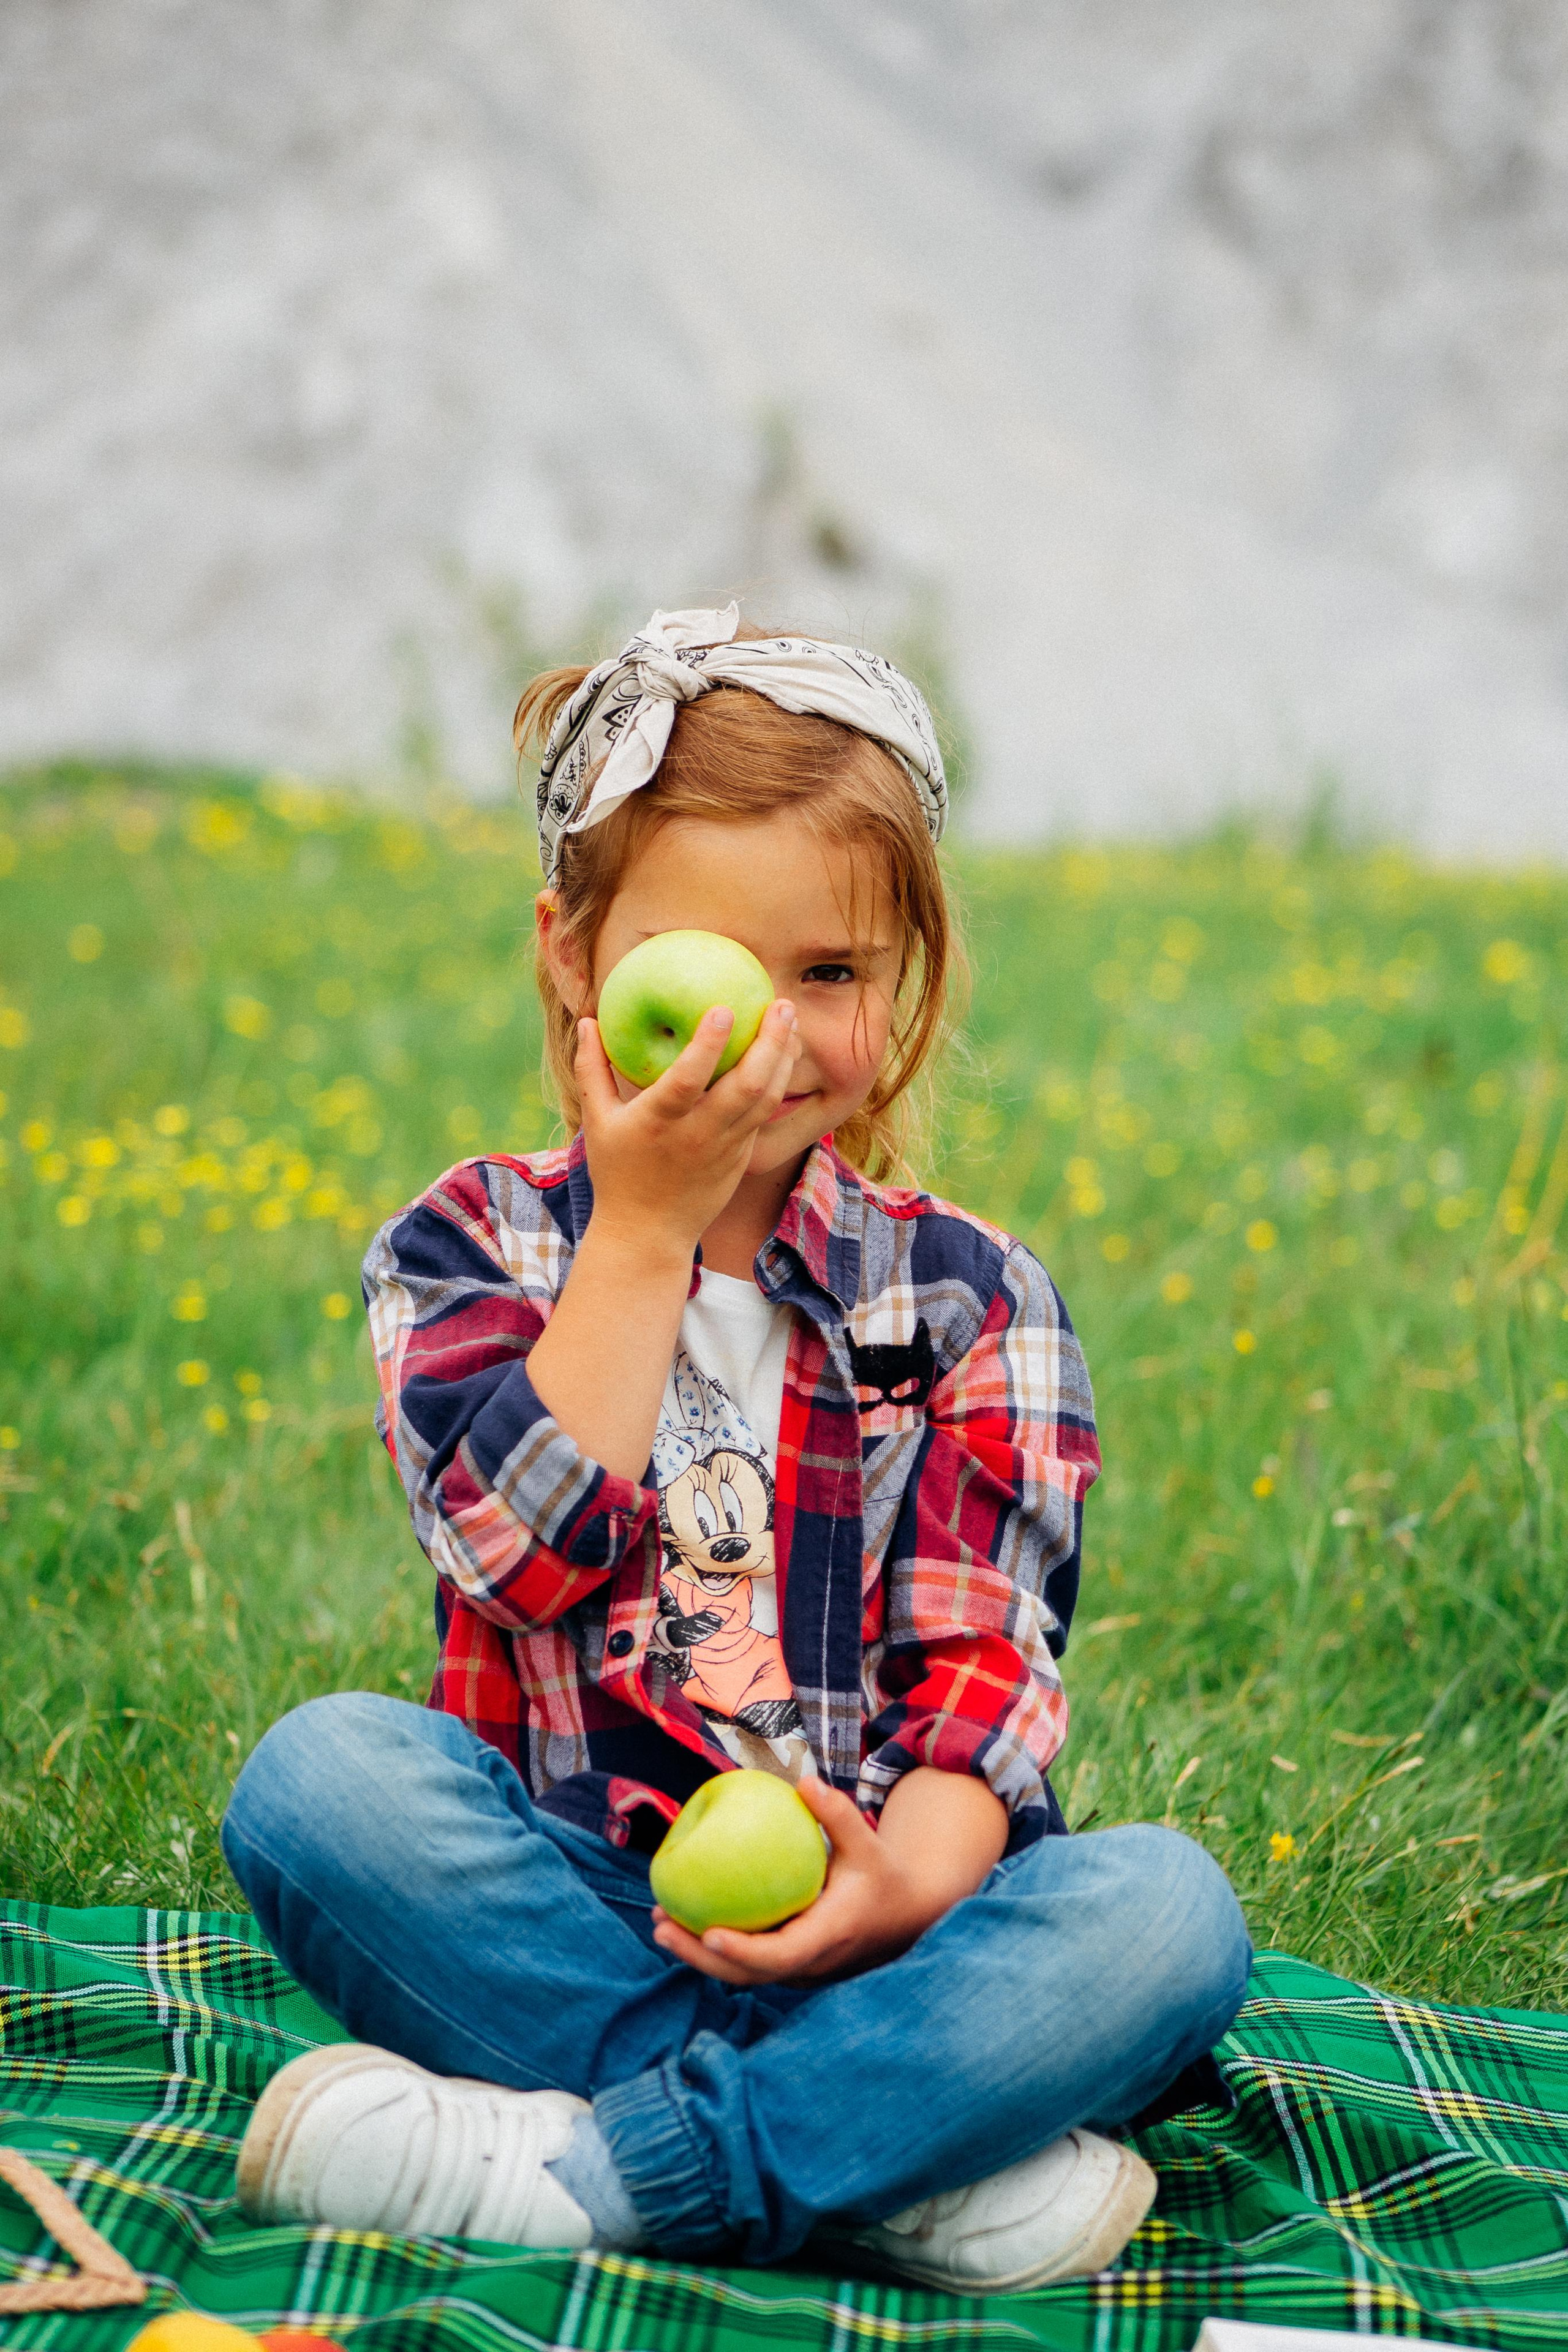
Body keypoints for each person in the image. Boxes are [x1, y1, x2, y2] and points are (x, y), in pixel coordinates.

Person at [221, 605, 1251, 2289]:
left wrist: (902, 1900)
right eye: (717, 969)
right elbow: (514, 1554)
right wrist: (638, 1232)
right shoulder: (468, 1249)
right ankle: (884, 2162)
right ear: (571, 957)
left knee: (1167, 1917)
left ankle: (589, 2168)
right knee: (322, 1783)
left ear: (901, 976)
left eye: (831, 974)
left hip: (892, 1942)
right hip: (582, 1912)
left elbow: (979, 1684)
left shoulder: (976, 1300)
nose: (772, 1035)